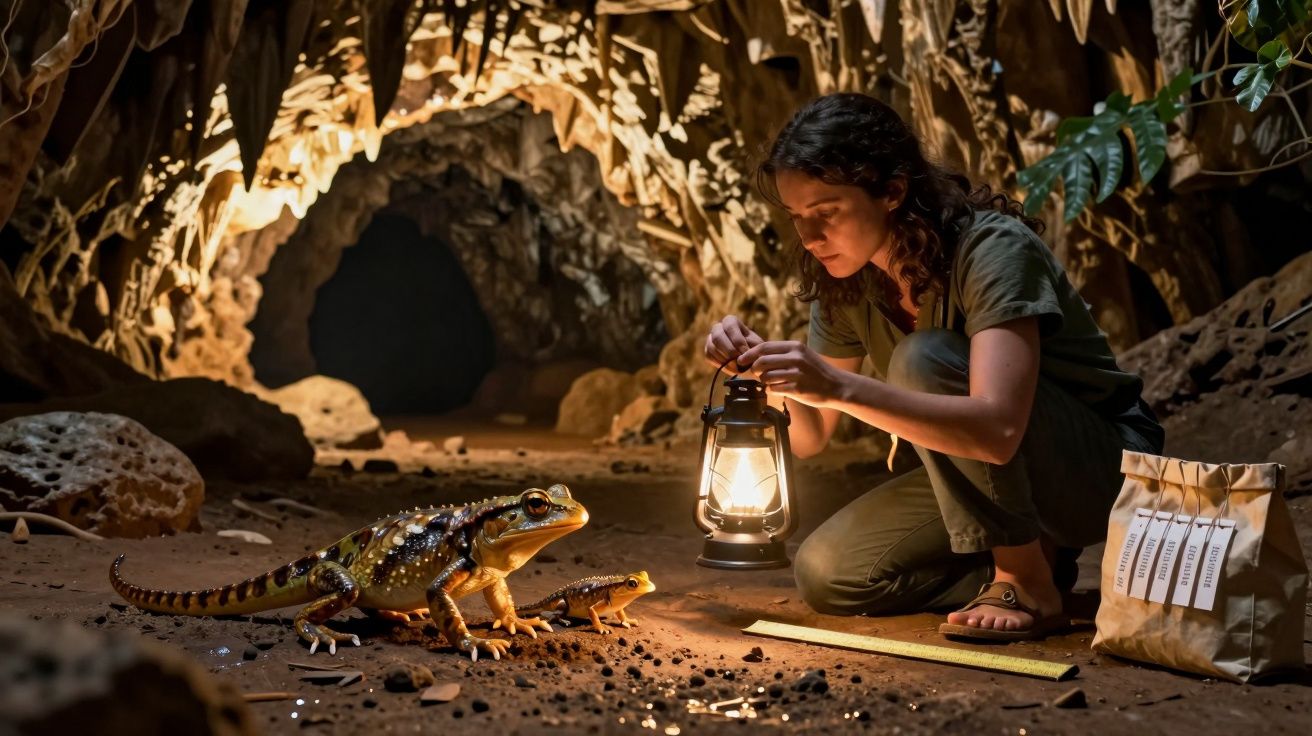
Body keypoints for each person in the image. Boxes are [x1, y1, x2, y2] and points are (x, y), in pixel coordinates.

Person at [703, 93, 1164, 641]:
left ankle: (1025, 581)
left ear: (892, 192)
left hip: (1102, 468)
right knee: (830, 574)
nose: (809, 237)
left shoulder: (991, 249)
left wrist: (836, 386)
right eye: (797, 217)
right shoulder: (845, 281)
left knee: (922, 359)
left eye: (827, 213)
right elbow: (809, 436)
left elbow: (998, 430)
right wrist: (763, 375)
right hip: (988, 473)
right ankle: (1031, 558)